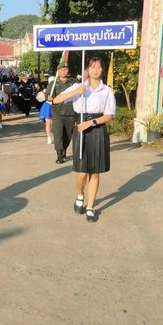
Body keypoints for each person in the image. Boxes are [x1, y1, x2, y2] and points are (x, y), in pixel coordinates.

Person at [52, 57, 116, 222]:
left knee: (94, 171)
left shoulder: (106, 91)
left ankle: (90, 207)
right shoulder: (79, 86)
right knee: (81, 172)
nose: (95, 70)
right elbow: (55, 100)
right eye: (92, 67)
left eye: (99, 67)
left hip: (97, 129)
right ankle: (80, 194)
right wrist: (75, 92)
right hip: (80, 129)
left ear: (102, 69)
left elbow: (109, 115)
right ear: (87, 69)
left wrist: (92, 122)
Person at [45, 58, 77, 164]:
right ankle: (59, 155)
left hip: (70, 112)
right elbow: (47, 95)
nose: (64, 71)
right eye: (61, 69)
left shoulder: (74, 82)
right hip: (57, 112)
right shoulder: (53, 83)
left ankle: (64, 150)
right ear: (58, 71)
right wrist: (48, 97)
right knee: (58, 134)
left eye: (65, 69)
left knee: (68, 135)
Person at [38, 75, 55, 144]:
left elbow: (40, 99)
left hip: (48, 106)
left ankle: (49, 137)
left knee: (48, 123)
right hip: (51, 106)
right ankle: (51, 136)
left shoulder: (46, 89)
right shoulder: (55, 88)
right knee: (52, 123)